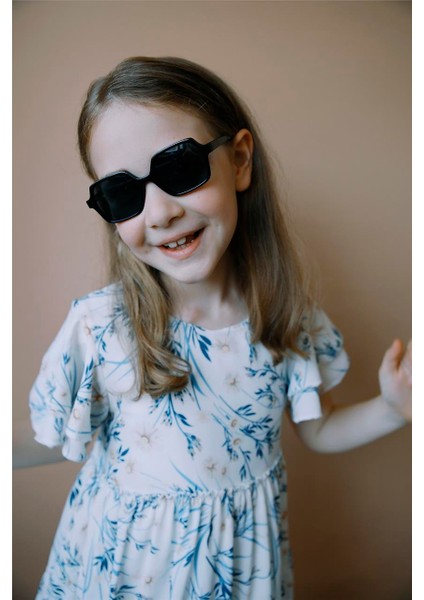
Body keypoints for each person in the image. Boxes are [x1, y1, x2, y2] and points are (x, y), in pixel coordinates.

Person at [16, 56, 412, 599]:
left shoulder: (288, 318)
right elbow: (54, 436)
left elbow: (318, 429)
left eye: (180, 169)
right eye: (123, 194)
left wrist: (393, 407)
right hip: (123, 574)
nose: (159, 214)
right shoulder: (101, 327)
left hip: (241, 574)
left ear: (240, 160)